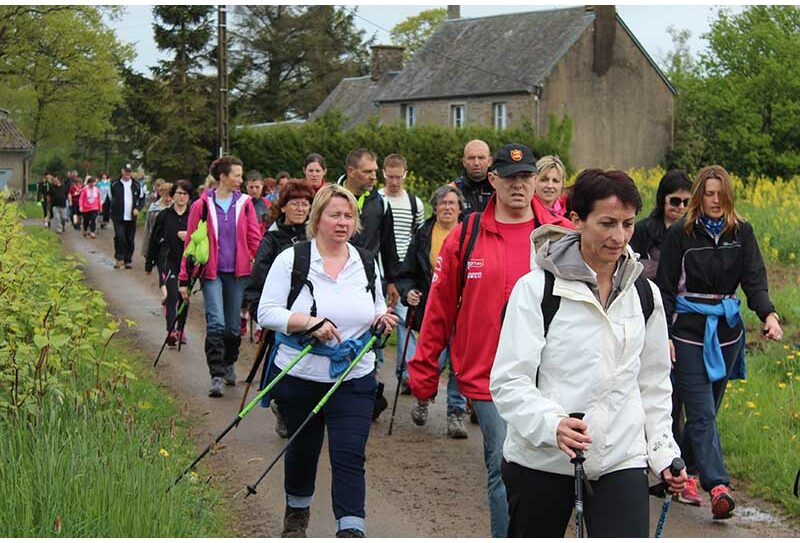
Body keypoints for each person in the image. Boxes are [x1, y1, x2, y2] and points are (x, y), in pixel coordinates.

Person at [490, 169, 687, 537]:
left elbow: (653, 384)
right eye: (607, 223)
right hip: (541, 458)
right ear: (577, 220)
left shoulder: (645, 294)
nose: (619, 237)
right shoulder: (536, 290)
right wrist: (553, 426)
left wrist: (662, 450)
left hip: (620, 457)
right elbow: (508, 381)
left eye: (628, 224)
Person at [407, 143, 556, 538]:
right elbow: (439, 307)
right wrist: (423, 372)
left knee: (548, 469)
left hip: (549, 373)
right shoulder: (466, 235)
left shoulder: (557, 238)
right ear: (493, 180)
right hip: (489, 376)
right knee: (503, 464)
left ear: (536, 182)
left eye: (526, 178)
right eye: (510, 177)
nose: (519, 186)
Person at [257, 183, 398, 538]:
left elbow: (376, 304)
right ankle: (297, 513)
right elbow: (267, 312)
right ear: (317, 218)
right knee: (303, 452)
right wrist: (309, 322)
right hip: (301, 375)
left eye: (349, 216)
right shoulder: (292, 259)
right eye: (335, 214)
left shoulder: (365, 261)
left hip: (354, 377)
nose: (343, 222)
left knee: (350, 456)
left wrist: (382, 317)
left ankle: (350, 530)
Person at [656, 165, 782, 521]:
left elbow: (754, 281)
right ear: (699, 196)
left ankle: (679, 470)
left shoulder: (743, 233)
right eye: (708, 194)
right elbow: (665, 287)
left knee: (707, 411)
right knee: (701, 412)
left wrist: (769, 315)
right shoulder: (682, 233)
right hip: (688, 332)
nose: (714, 200)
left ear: (729, 196)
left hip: (727, 333)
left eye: (720, 194)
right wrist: (664, 334)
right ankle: (719, 487)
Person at [179, 156, 261, 398]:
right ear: (223, 177)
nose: (241, 179)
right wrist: (184, 279)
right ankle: (216, 375)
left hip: (238, 274)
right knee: (216, 322)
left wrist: (263, 269)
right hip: (211, 272)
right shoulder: (201, 206)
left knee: (234, 327)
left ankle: (228, 364)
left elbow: (254, 239)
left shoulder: (245, 204)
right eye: (236, 175)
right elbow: (191, 242)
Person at [244, 180, 315, 438]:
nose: (300, 208)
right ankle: (282, 408)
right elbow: (257, 281)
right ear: (283, 206)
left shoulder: (316, 236)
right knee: (284, 368)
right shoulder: (272, 239)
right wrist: (261, 314)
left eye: (306, 204)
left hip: (312, 314)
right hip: (283, 317)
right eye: (295, 203)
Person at [398, 184, 469, 439]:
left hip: (464, 312)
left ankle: (456, 415)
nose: (448, 207)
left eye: (452, 203)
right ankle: (422, 396)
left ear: (461, 208)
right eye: (443, 203)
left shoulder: (470, 234)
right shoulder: (423, 234)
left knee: (459, 366)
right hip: (432, 310)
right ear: (435, 207)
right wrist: (409, 292)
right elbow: (407, 272)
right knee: (433, 360)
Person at [340, 148, 401, 420]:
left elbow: (388, 244)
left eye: (375, 171)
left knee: (371, 332)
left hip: (368, 279)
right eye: (367, 172)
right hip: (335, 277)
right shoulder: (333, 198)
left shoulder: (381, 202)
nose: (373, 177)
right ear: (351, 172)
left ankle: (367, 392)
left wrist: (393, 281)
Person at [377, 153, 425, 403]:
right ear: (383, 173)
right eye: (390, 176)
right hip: (380, 272)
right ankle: (374, 371)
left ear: (405, 175)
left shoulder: (415, 203)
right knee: (377, 321)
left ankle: (406, 373)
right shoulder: (378, 200)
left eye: (398, 177)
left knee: (406, 323)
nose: (394, 181)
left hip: (405, 273)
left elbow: (418, 238)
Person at [146, 180, 192, 346]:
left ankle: (181, 329)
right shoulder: (164, 215)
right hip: (168, 260)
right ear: (173, 195)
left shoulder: (193, 216)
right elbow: (154, 239)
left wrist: (190, 236)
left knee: (184, 297)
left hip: (187, 262)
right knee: (172, 296)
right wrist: (149, 262)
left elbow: (204, 238)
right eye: (178, 193)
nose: (181, 197)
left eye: (185, 194)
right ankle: (171, 331)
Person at [630, 169, 693, 281]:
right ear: (662, 198)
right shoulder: (642, 230)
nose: (681, 207)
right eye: (675, 201)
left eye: (686, 202)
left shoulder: (694, 231)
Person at [109, 163, 145, 269]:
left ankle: (128, 259)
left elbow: (142, 198)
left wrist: (137, 209)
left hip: (131, 217)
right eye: (126, 171)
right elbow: (111, 198)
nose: (127, 174)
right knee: (120, 237)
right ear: (122, 171)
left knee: (130, 238)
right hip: (118, 216)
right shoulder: (114, 184)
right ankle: (119, 258)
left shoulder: (136, 185)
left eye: (129, 172)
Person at [452, 139, 494, 217]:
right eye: (471, 158)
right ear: (464, 162)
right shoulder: (452, 190)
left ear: (489, 161)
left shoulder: (500, 190)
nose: (476, 163)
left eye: (481, 158)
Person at [141, 180, 173, 261]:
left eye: (171, 195)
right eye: (166, 195)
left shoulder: (177, 208)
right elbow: (148, 230)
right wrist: (146, 251)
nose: (169, 198)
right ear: (161, 193)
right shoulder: (153, 208)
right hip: (158, 245)